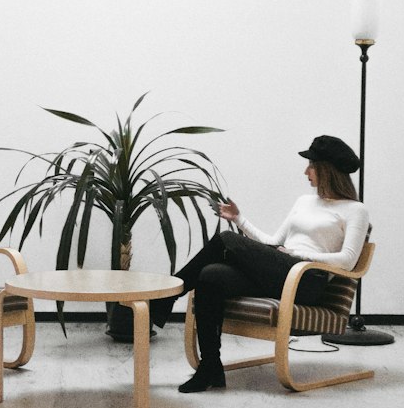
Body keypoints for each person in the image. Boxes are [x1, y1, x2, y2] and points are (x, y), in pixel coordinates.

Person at [153, 134, 369, 393]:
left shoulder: (356, 210)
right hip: (281, 271)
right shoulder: (304, 201)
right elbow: (272, 241)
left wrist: (300, 257)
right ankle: (210, 367)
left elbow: (348, 261)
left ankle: (168, 295)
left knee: (224, 239)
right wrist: (239, 218)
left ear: (326, 169)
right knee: (211, 275)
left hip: (307, 280)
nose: (305, 171)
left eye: (310, 165)